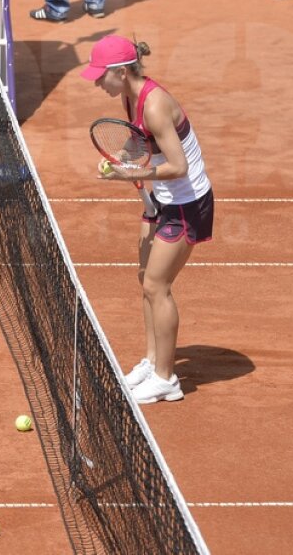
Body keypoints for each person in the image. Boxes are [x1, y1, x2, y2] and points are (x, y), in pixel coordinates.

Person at [81, 35, 215, 405]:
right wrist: (122, 157)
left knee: (158, 286)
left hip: (187, 203)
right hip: (161, 199)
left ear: (121, 72)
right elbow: (140, 143)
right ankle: (153, 361)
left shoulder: (155, 105)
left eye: (100, 76)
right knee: (145, 280)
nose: (96, 83)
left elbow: (177, 165)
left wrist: (126, 175)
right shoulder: (129, 96)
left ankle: (167, 380)